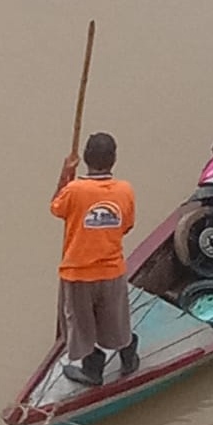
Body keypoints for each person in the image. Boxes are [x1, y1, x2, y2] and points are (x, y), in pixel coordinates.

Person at [51, 132, 139, 386]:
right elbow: (127, 225)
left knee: (81, 325)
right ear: (114, 159)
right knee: (117, 320)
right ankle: (129, 357)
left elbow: (55, 207)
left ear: (86, 158)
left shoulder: (74, 190)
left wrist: (65, 173)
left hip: (78, 274)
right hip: (112, 271)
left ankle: (93, 371)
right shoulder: (125, 190)